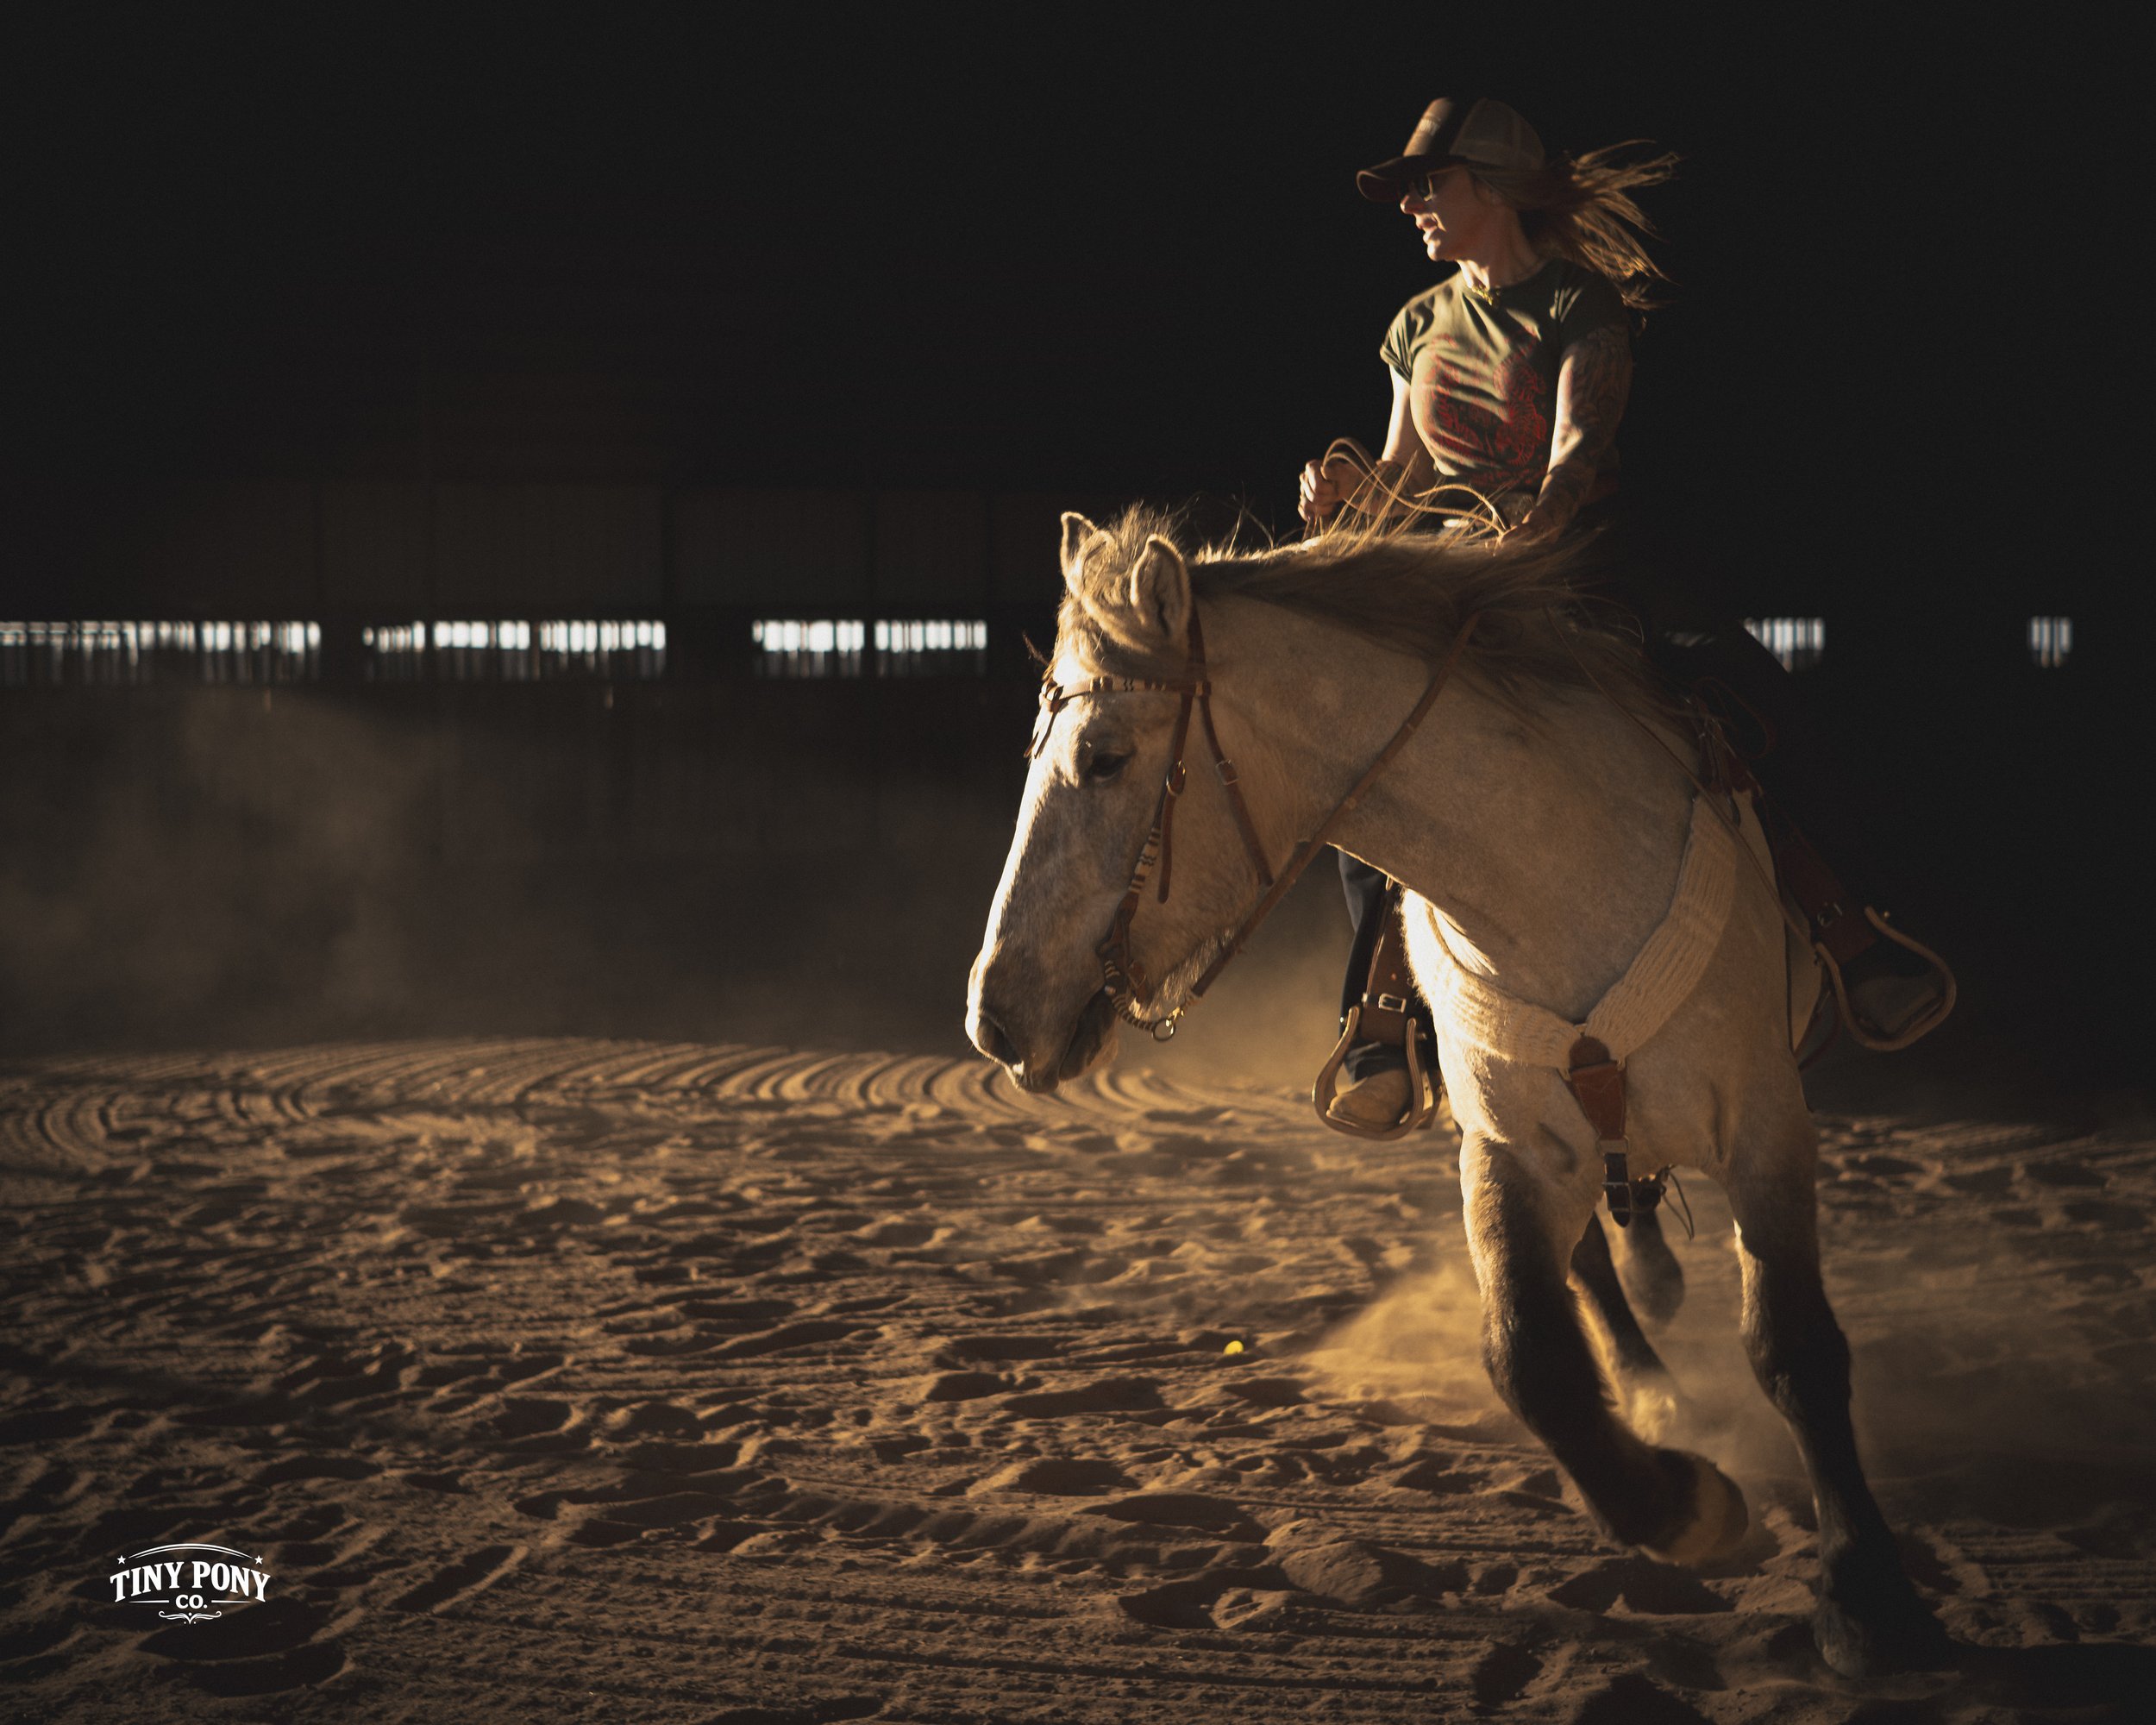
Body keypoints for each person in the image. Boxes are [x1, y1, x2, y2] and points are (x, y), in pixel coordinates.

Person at [1300, 97, 1947, 1133]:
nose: (1414, 201)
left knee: (1731, 684)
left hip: (1586, 559)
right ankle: (1384, 1023)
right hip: (1460, 574)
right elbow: (1395, 476)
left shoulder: (1577, 304)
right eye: (1412, 188)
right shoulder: (1414, 324)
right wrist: (1344, 503)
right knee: (1365, 759)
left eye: (1433, 181)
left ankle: (1849, 932)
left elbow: (1575, 452)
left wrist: (1531, 535)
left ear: (1493, 187)